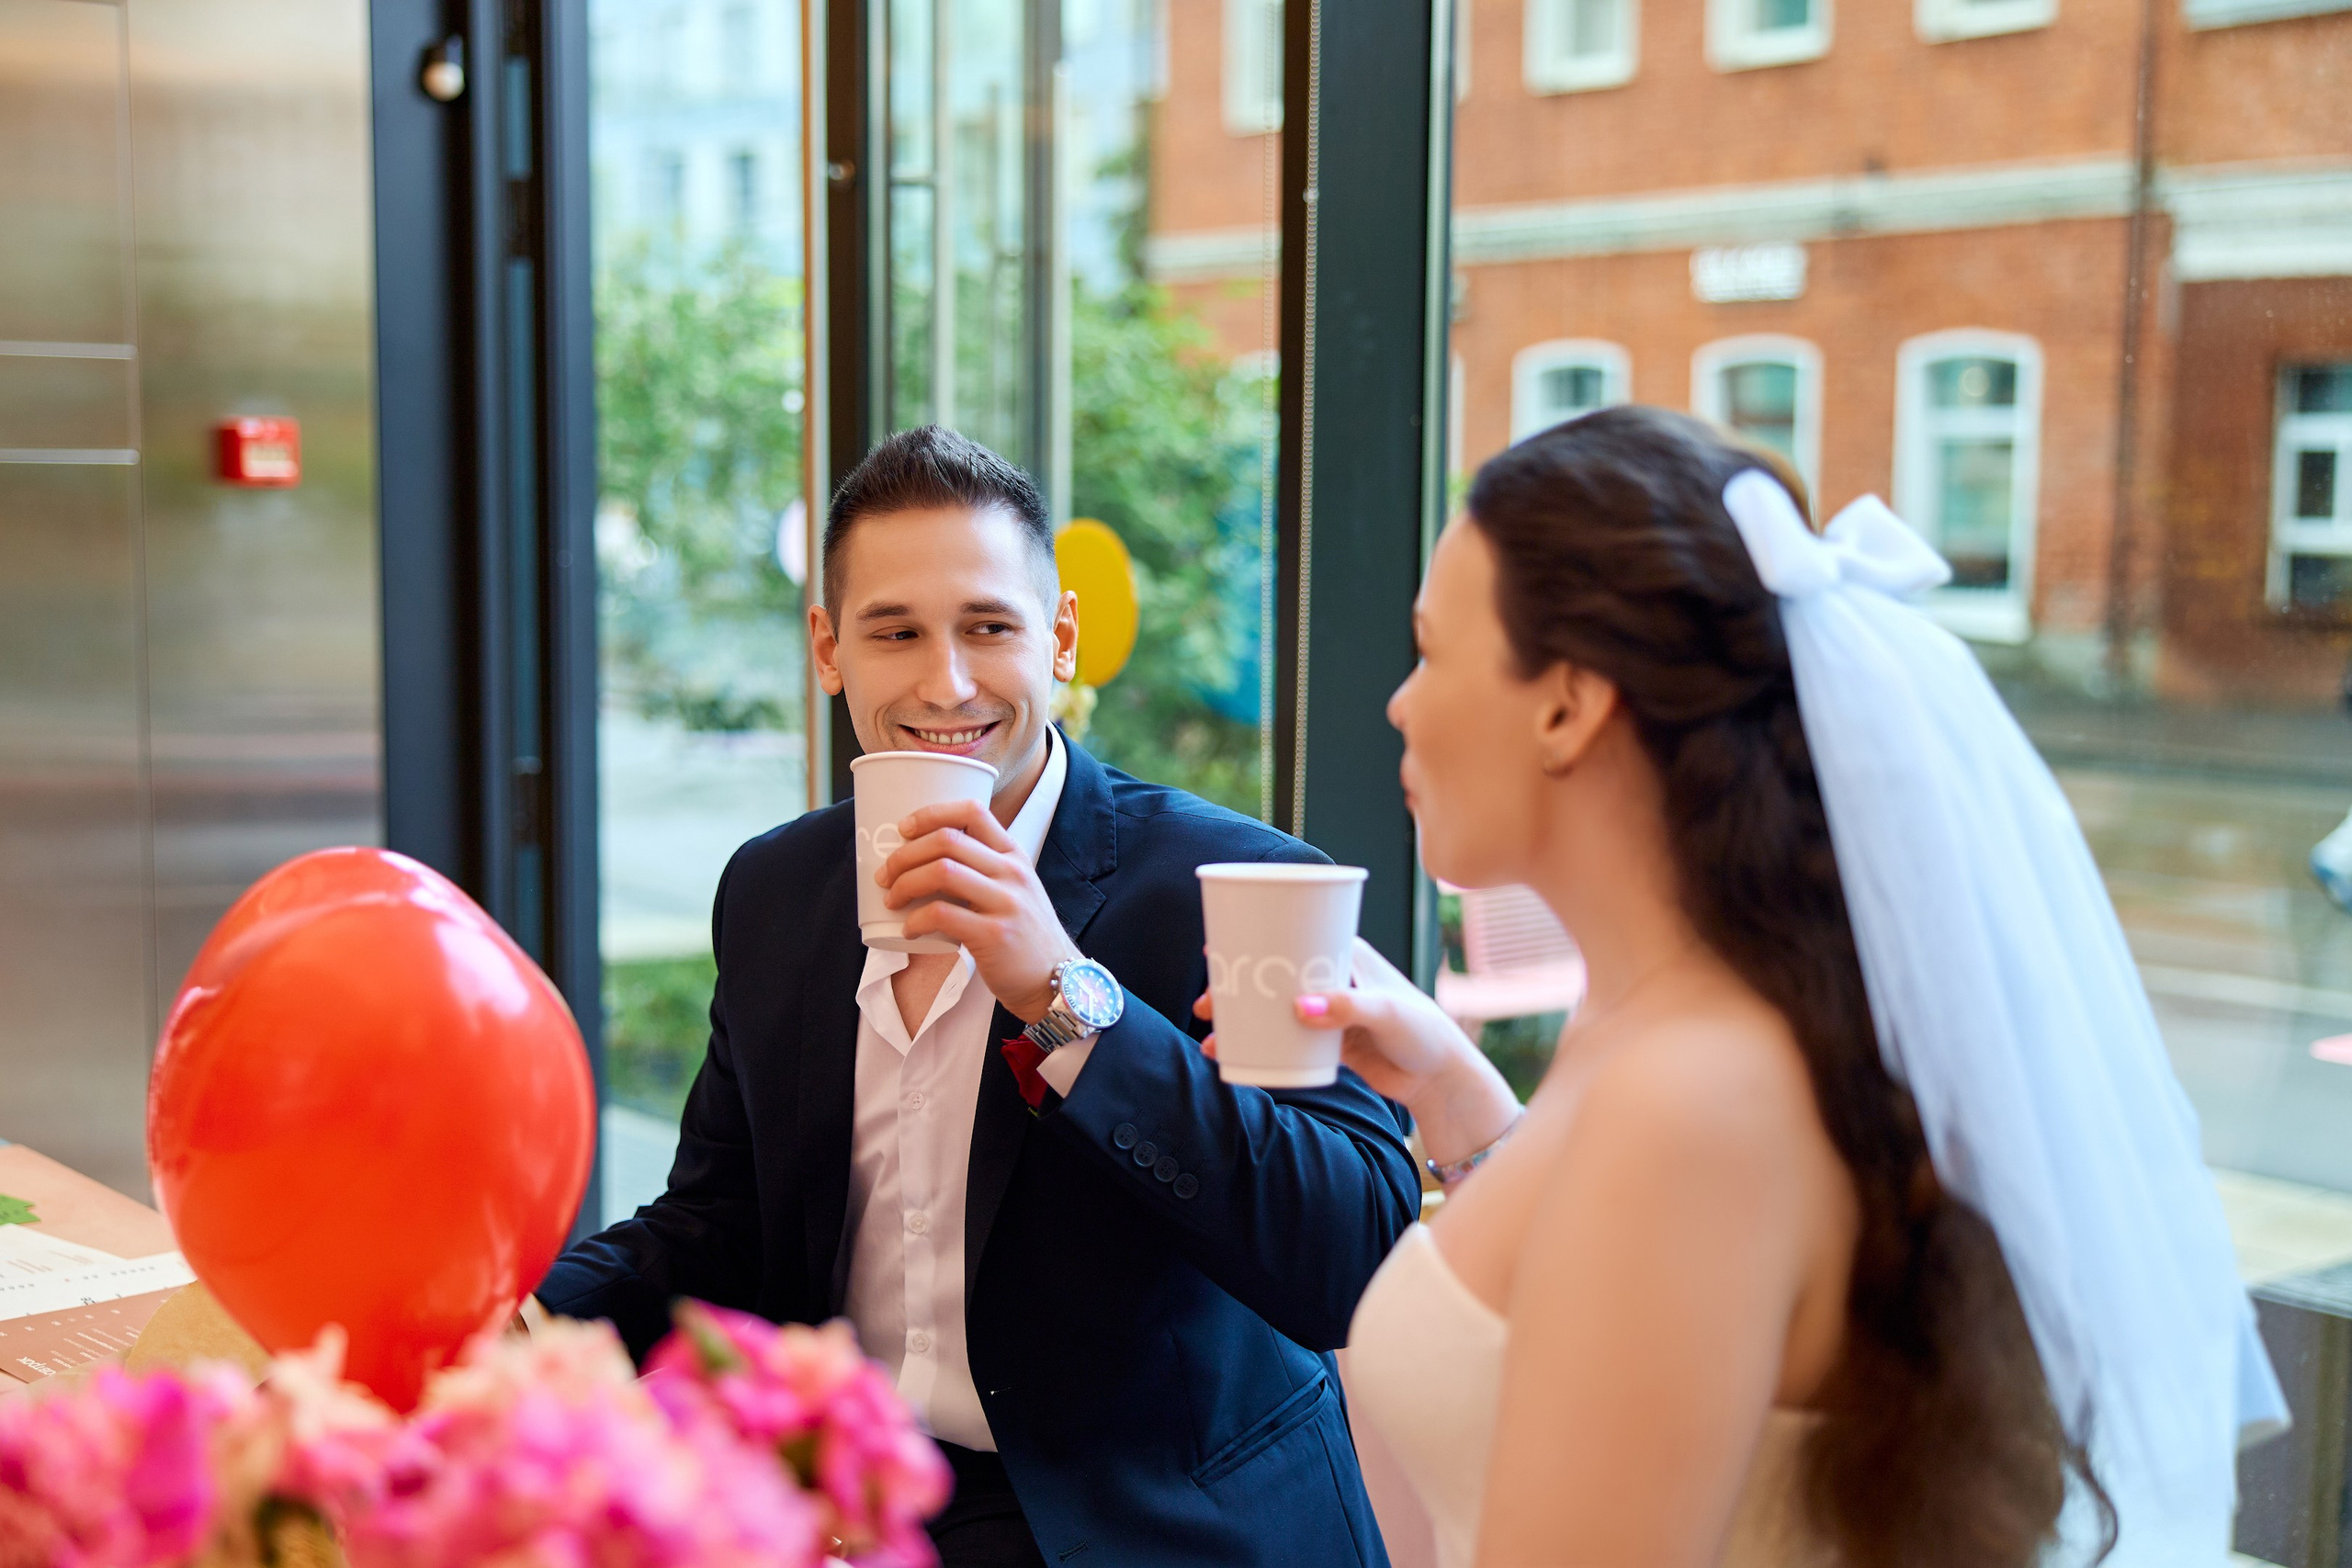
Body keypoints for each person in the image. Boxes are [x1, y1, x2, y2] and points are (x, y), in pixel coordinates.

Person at [1259, 408, 2284, 1567]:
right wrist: (1456, 1097)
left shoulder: (1694, 1098)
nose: (1400, 703)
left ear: (1566, 702)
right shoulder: (1660, 1029)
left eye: (1432, 651)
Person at [537, 426, 1418, 1568]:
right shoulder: (773, 889)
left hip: (1163, 1522)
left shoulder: (1234, 890)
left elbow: (1350, 1253)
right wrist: (510, 1328)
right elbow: (716, 1224)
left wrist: (1059, 990)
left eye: (988, 628)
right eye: (894, 632)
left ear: (1057, 640)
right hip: (872, 1514)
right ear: (827, 650)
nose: (943, 682)